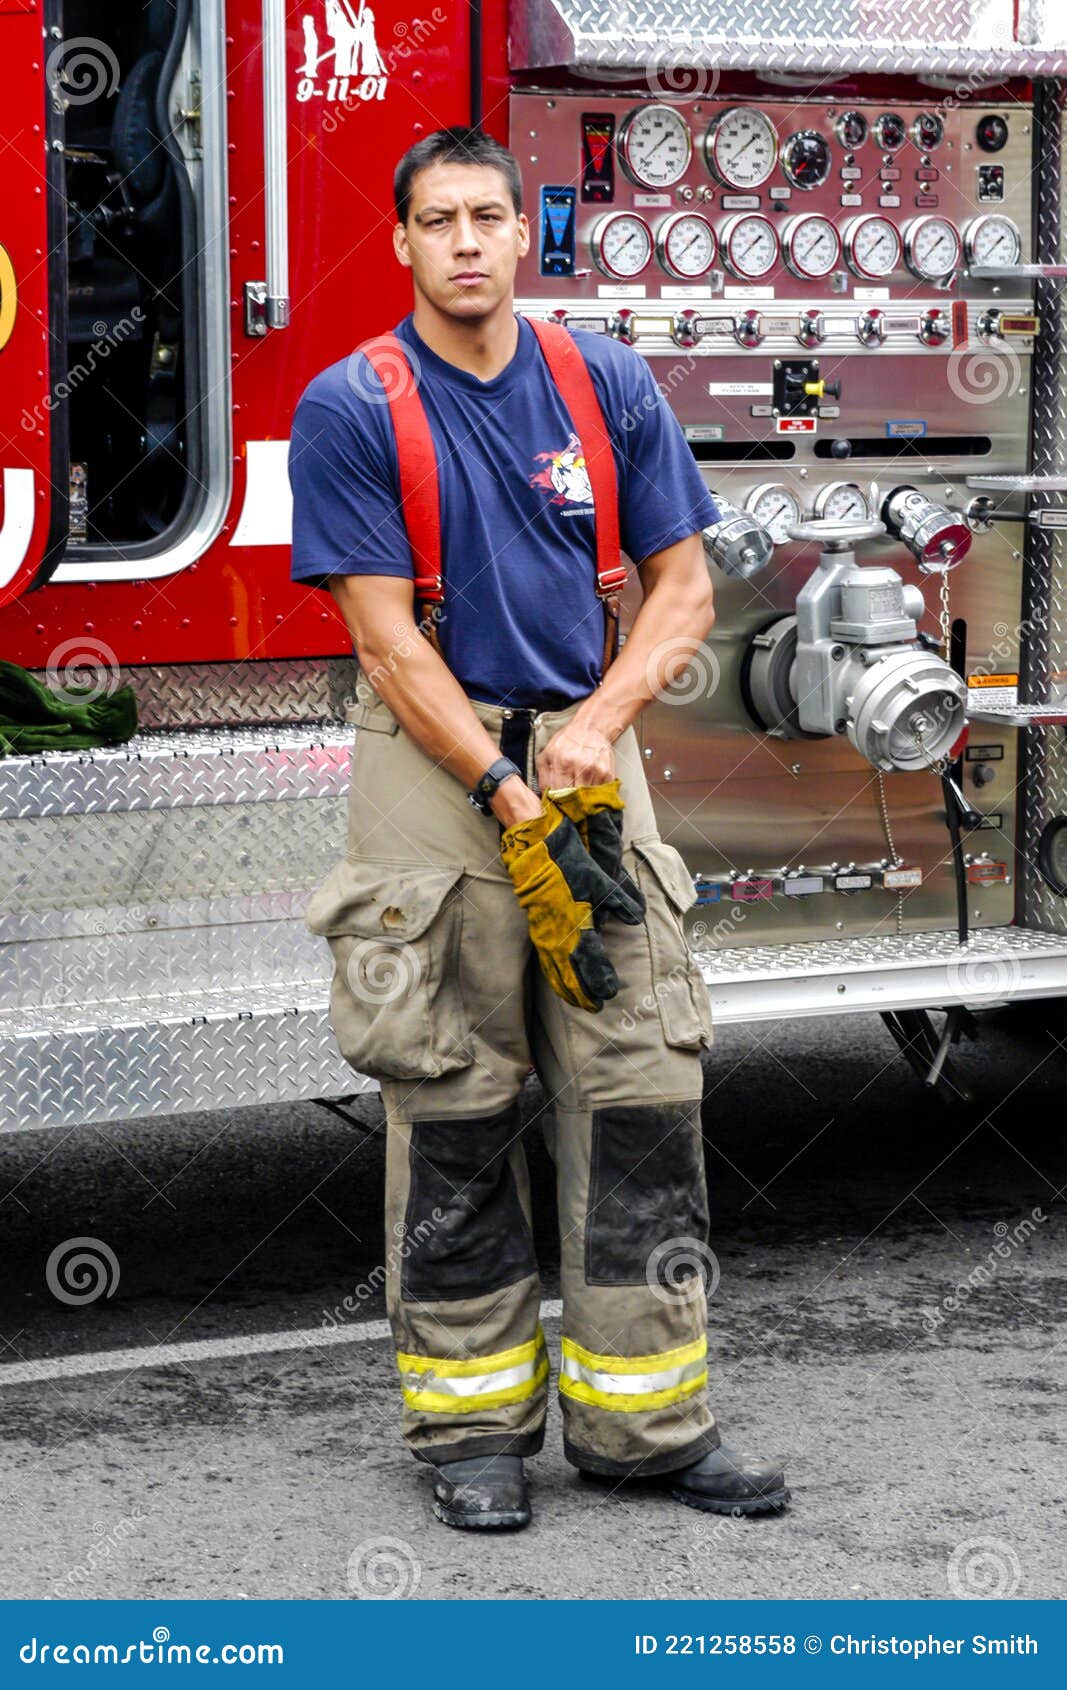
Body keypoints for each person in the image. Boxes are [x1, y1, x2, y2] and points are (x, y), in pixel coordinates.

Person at [288, 125, 789, 1530]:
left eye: (487, 216)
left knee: (642, 1084)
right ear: (400, 243)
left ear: (525, 236)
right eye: (436, 219)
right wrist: (508, 790)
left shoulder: (603, 381)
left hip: (582, 754)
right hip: (438, 777)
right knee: (453, 1096)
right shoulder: (353, 405)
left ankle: (650, 1429)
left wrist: (597, 728)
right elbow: (388, 644)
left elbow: (685, 589)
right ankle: (471, 1432)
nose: (463, 240)